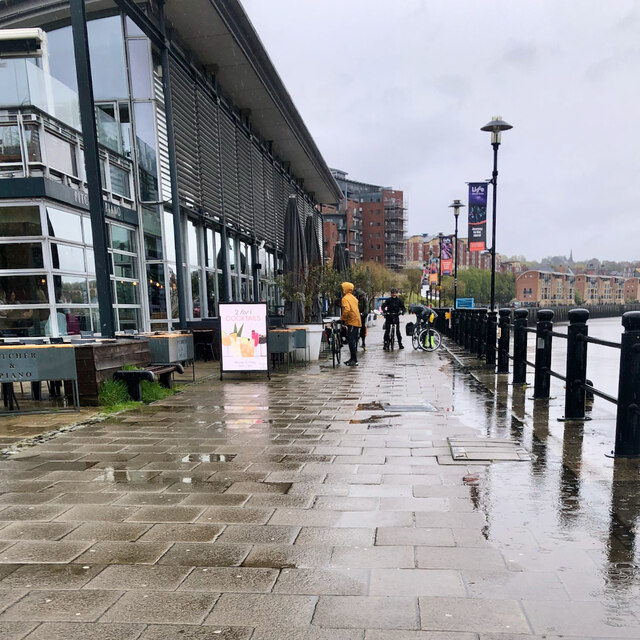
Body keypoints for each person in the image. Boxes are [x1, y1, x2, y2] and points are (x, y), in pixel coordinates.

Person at [340, 281, 361, 366]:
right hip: (357, 321)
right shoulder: (353, 298)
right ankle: (352, 358)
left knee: (351, 341)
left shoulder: (345, 299)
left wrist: (342, 319)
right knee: (354, 340)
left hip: (352, 321)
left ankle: (354, 360)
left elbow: (347, 310)